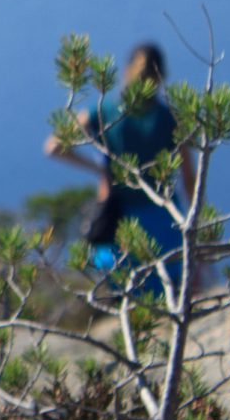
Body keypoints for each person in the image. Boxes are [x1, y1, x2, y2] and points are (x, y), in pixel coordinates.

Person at [43, 42, 197, 281]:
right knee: (169, 289)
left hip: (119, 224)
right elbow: (189, 179)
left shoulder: (106, 110)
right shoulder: (170, 118)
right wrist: (199, 225)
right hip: (165, 220)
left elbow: (54, 147)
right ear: (161, 77)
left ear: (126, 71)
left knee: (126, 292)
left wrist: (101, 170)